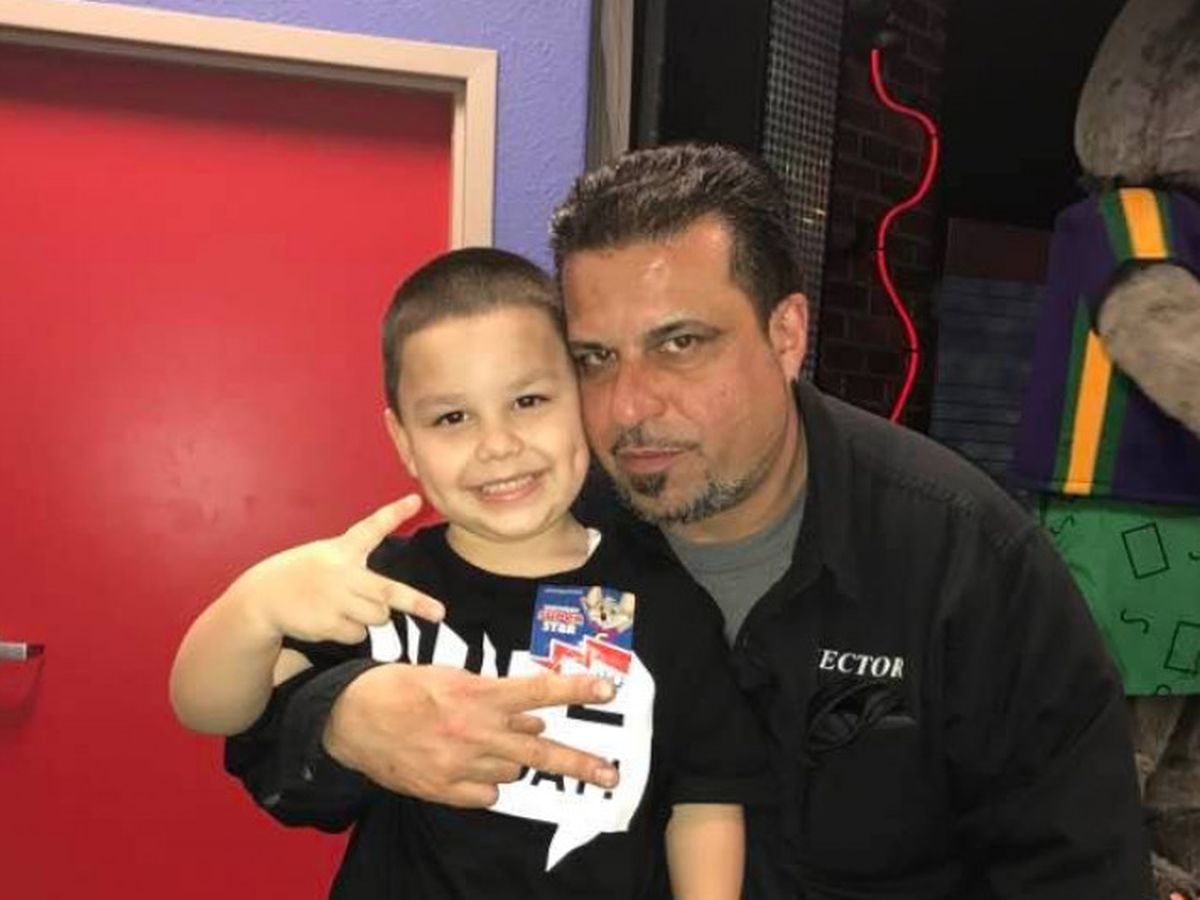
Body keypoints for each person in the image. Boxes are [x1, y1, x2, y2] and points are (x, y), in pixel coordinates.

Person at [224, 145, 1153, 898]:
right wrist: (342, 720)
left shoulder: (964, 560)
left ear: (786, 335)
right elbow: (259, 736)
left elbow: (1077, 870)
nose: (630, 407)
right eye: (595, 358)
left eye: (680, 343)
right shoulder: (532, 519)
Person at [171, 248, 767, 899]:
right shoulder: (375, 588)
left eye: (528, 400)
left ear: (582, 400)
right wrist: (254, 607)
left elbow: (705, 798)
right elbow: (209, 708)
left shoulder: (668, 598)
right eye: (452, 418)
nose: (498, 445)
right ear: (405, 442)